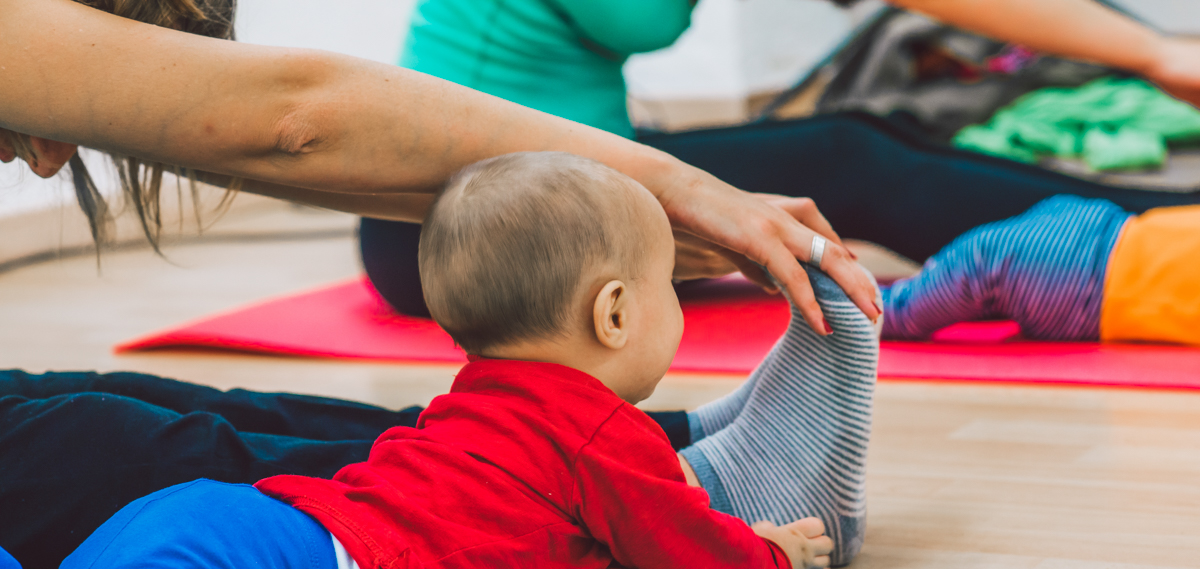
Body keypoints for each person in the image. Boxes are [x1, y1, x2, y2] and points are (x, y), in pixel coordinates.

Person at [0, 152, 876, 569]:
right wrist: (776, 562)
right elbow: (699, 553)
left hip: (236, 541)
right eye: (671, 294)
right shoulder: (597, 432)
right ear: (615, 313)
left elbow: (488, 557)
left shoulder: (477, 403)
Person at [0, 0, 878, 336]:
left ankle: (672, 457)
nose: (45, 164)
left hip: (457, 190)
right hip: (446, 220)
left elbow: (284, 146)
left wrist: (666, 201)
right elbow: (292, 119)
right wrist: (677, 190)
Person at [362, 0, 1200, 316]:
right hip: (447, 224)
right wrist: (1157, 55)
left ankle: (1163, 232)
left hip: (572, 186)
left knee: (868, 136)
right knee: (848, 155)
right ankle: (1157, 241)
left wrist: (1154, 52)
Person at [881, 196, 1200, 346]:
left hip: (1091, 253)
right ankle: (872, 300)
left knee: (973, 270)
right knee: (953, 283)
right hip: (1084, 262)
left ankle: (865, 302)